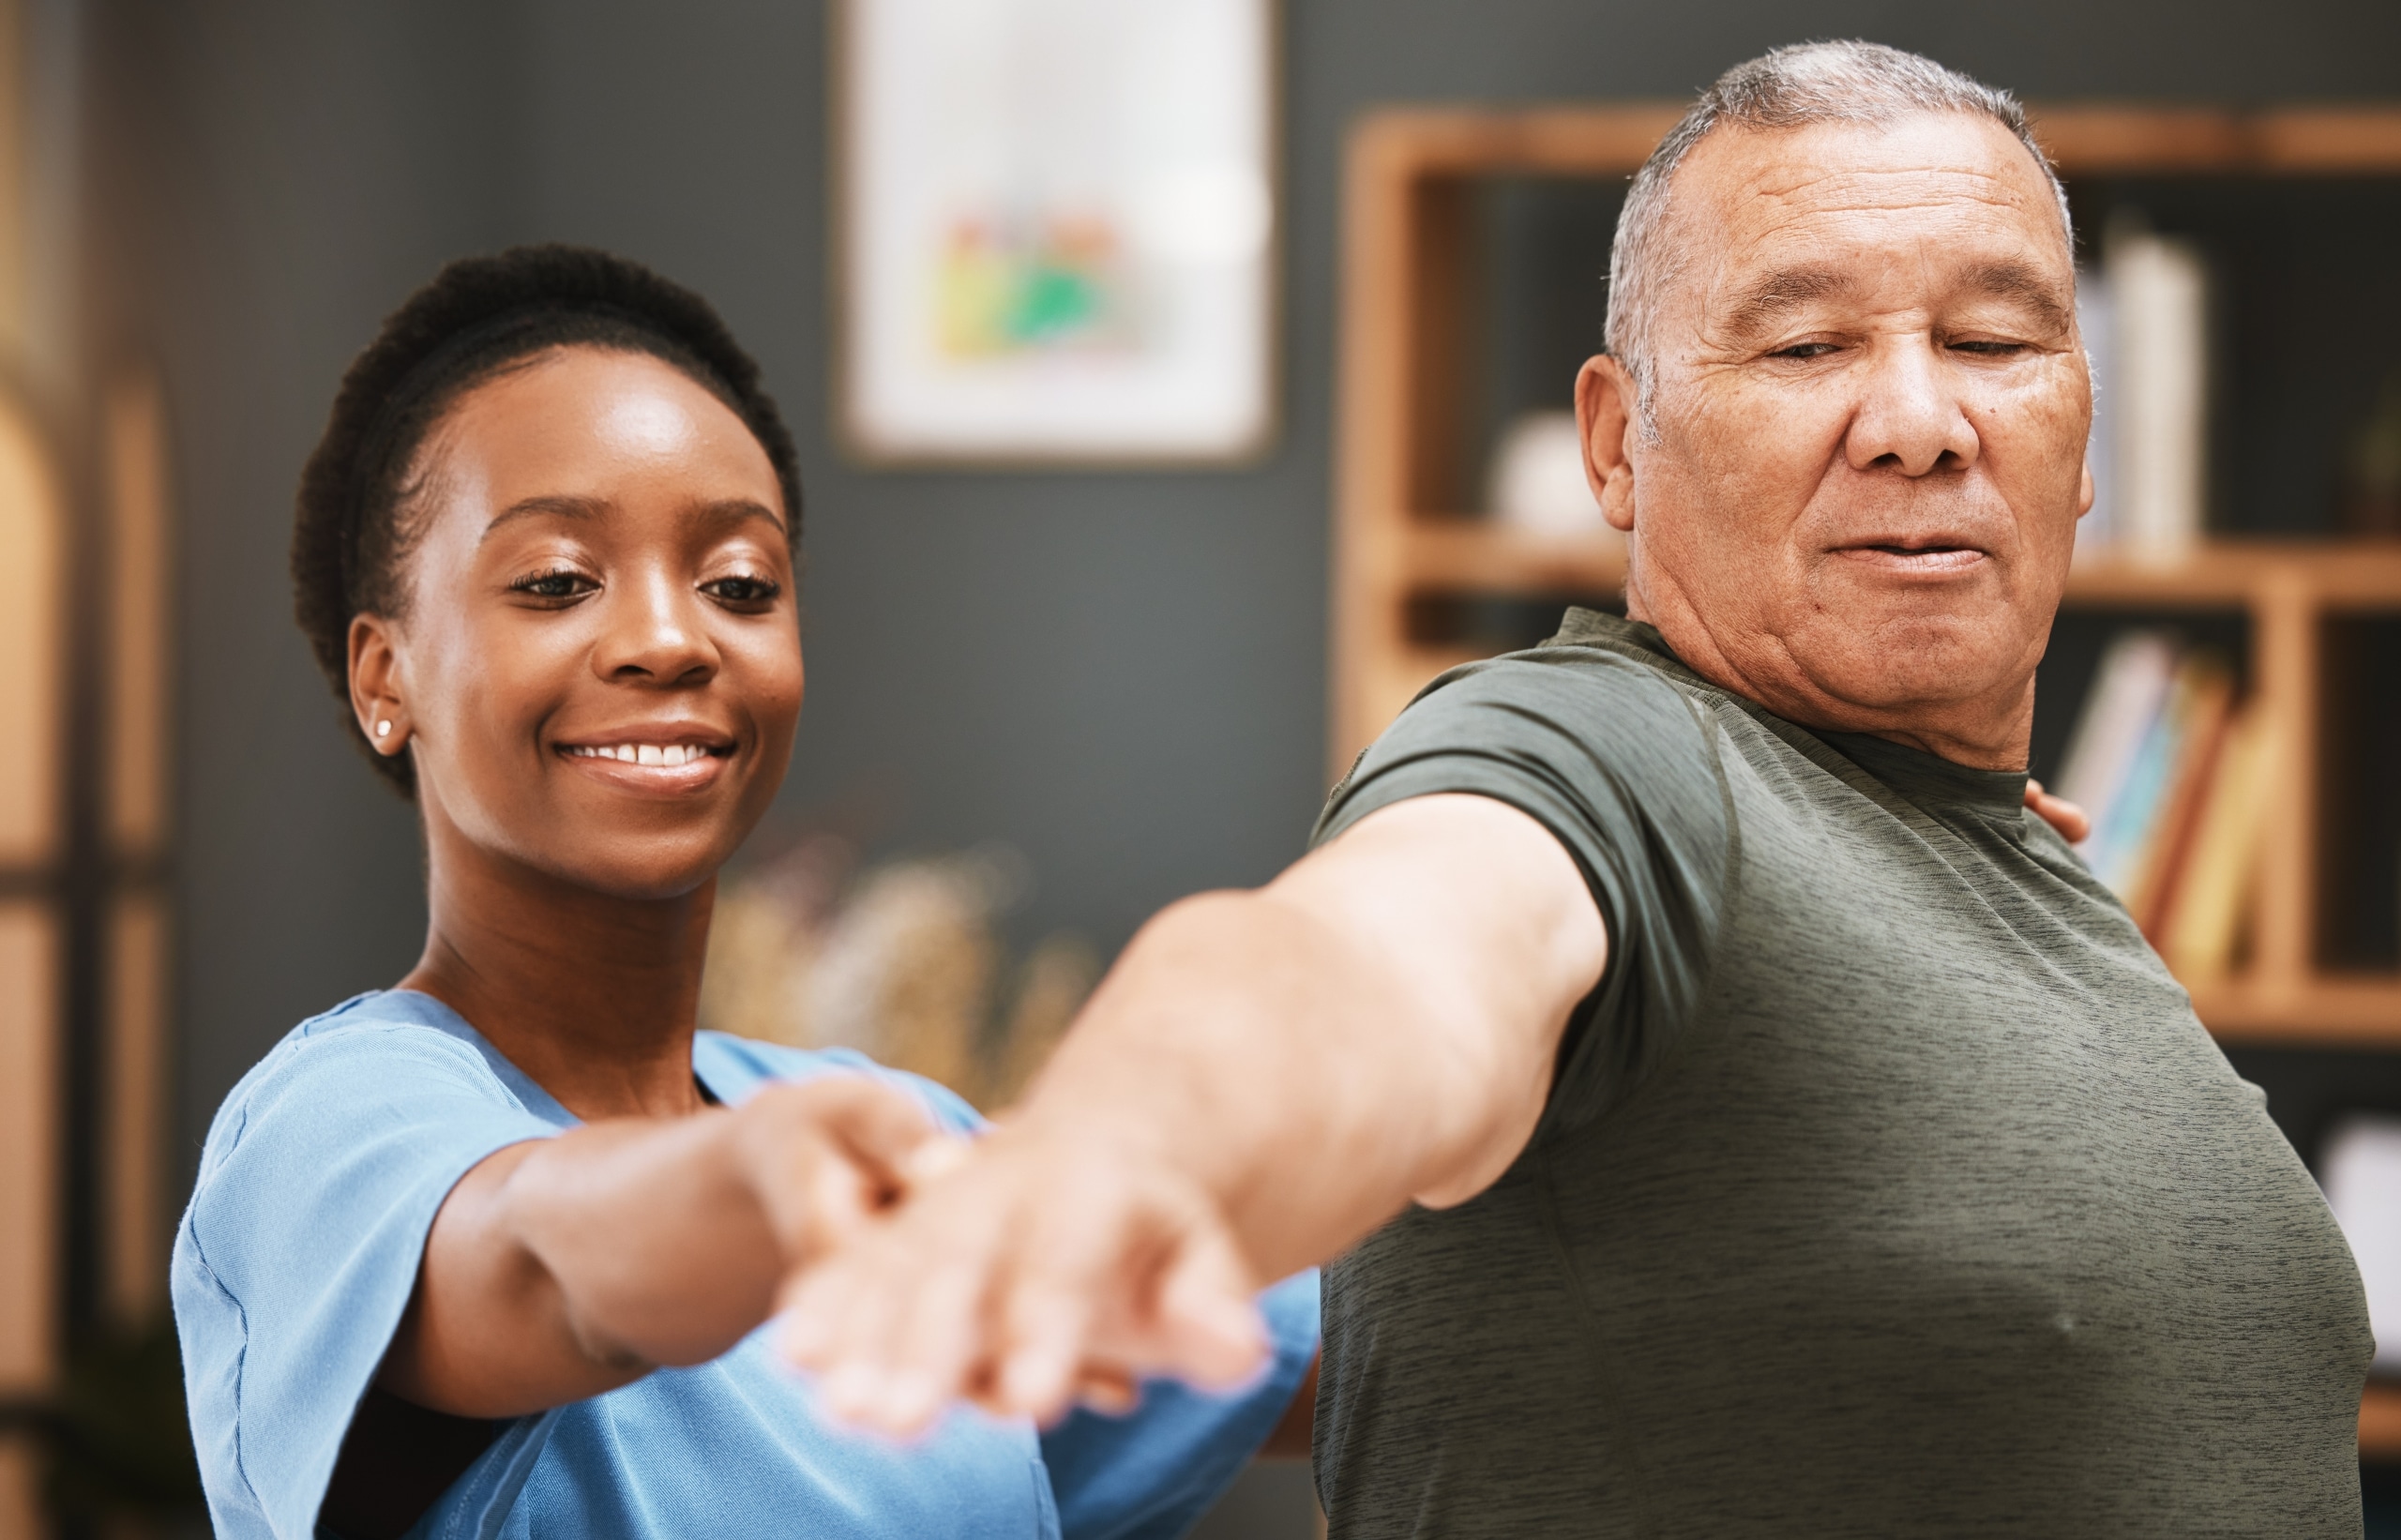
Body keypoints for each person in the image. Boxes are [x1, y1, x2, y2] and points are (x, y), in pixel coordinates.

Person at [778, 42, 2374, 1537]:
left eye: (1993, 340)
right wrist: (1134, 1145)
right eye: (1808, 343)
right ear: (1617, 445)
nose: (1915, 421)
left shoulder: (2008, 858)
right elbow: (1374, 963)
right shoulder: (1609, 761)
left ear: (2081, 434)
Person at [172, 245, 1318, 1540]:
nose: (672, 636)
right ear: (387, 677)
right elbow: (544, 1262)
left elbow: (1357, 1342)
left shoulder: (879, 1123)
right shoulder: (331, 1127)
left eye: (739, 584)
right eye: (556, 579)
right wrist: (761, 1188)